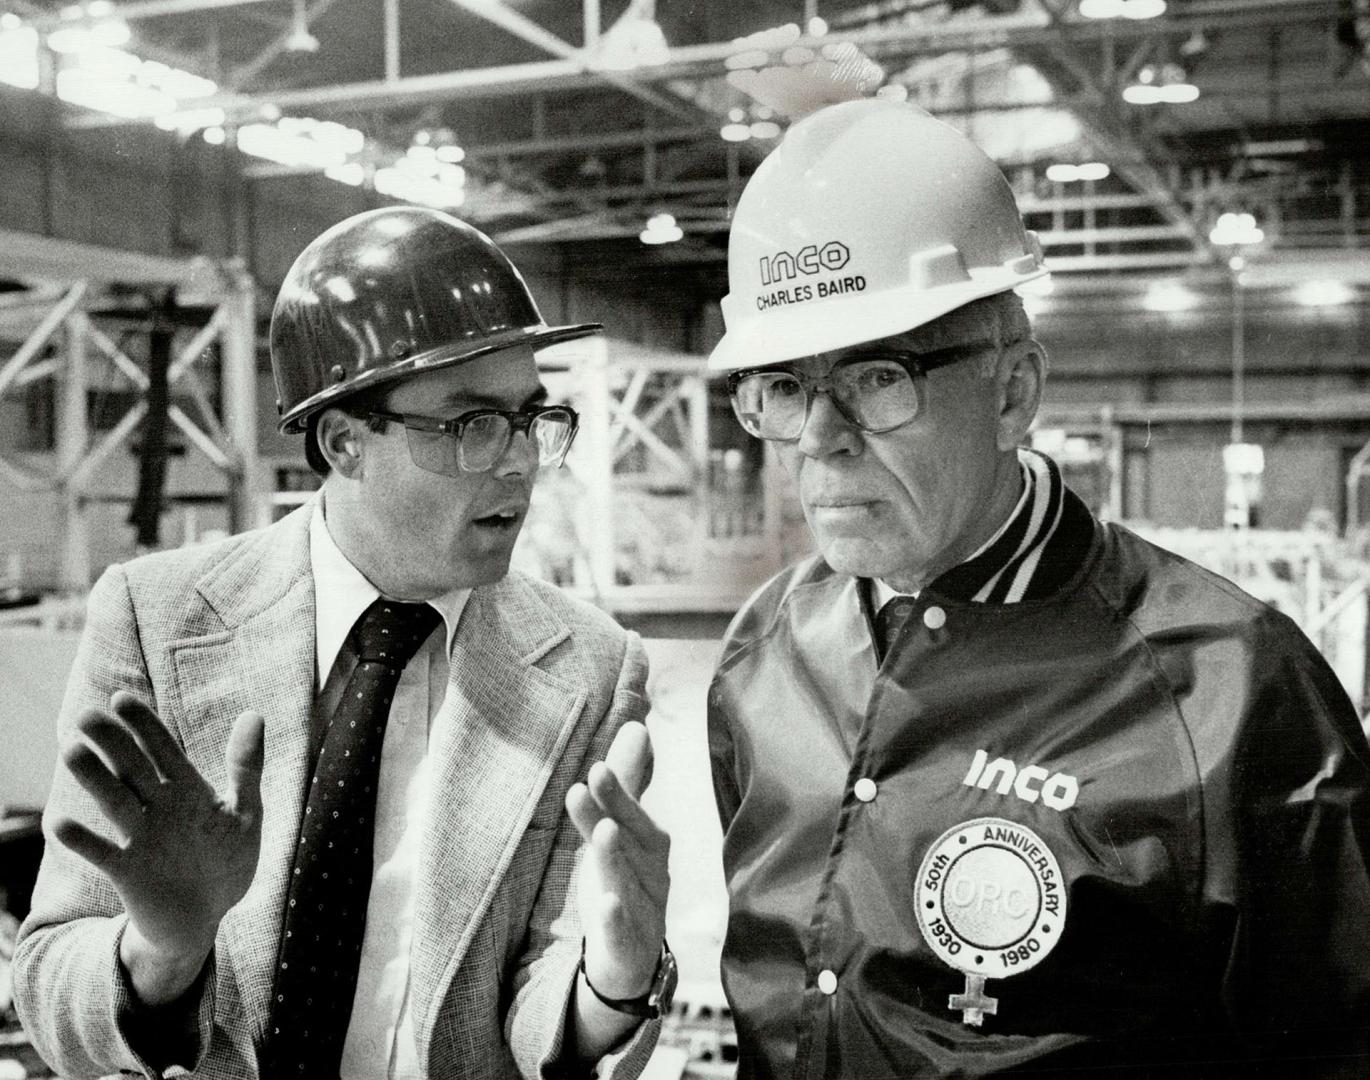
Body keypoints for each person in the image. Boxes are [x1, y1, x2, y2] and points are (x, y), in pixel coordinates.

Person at [705, 98, 1370, 1078]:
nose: (818, 438)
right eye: (787, 386)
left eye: (876, 377)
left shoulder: (1229, 692)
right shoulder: (765, 650)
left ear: (1013, 391)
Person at [13, 207, 677, 1080]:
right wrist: (161, 950)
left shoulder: (592, 669)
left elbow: (538, 1004)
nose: (518, 461)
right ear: (343, 442)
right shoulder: (157, 618)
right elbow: (47, 978)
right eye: (472, 424)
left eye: (530, 419)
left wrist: (614, 979)